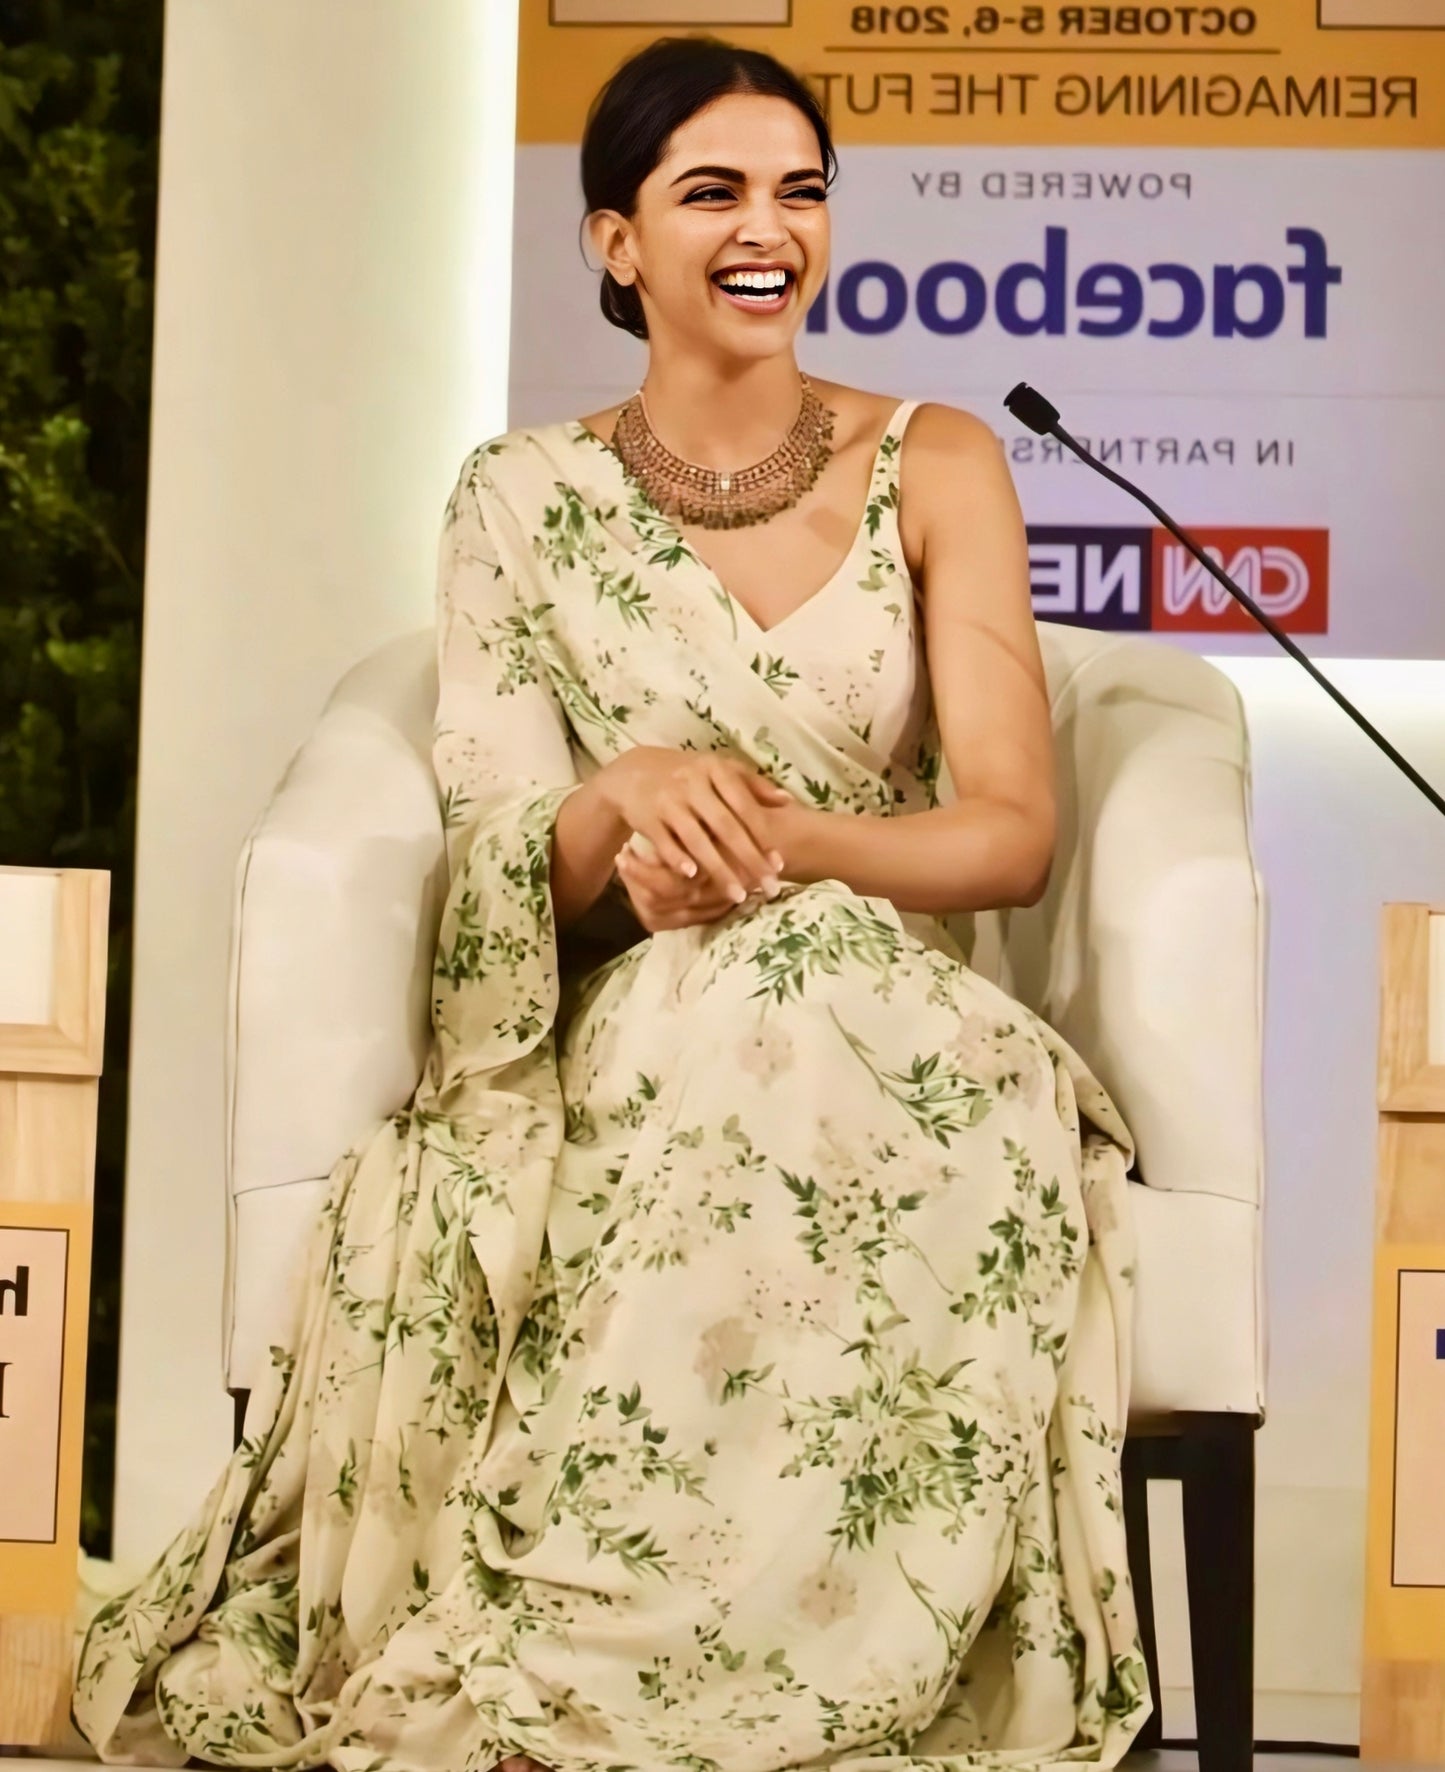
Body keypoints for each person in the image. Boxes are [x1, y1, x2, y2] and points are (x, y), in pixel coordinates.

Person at [72, 33, 1151, 1772]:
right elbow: (512, 841)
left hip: (892, 1002)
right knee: (715, 1021)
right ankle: (600, 1643)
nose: (766, 229)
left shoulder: (936, 458)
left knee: (806, 997)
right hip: (644, 994)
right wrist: (616, 807)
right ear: (612, 240)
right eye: (709, 191)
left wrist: (775, 838)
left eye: (799, 191)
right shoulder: (520, 498)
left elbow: (1005, 836)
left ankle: (774, 1666)